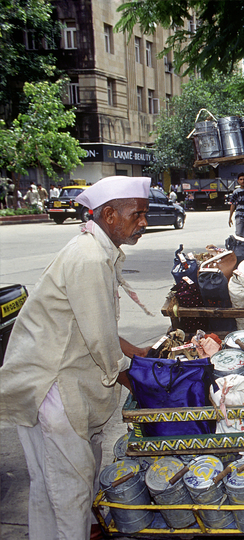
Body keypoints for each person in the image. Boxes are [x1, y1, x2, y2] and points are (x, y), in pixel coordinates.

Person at [0, 176, 152, 540]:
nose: (144, 222)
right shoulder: (88, 258)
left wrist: (140, 354)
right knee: (69, 492)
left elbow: (94, 325)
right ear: (110, 215)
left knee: (49, 488)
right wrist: (144, 385)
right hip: (54, 392)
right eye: (138, 214)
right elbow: (101, 342)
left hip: (50, 388)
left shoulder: (95, 251)